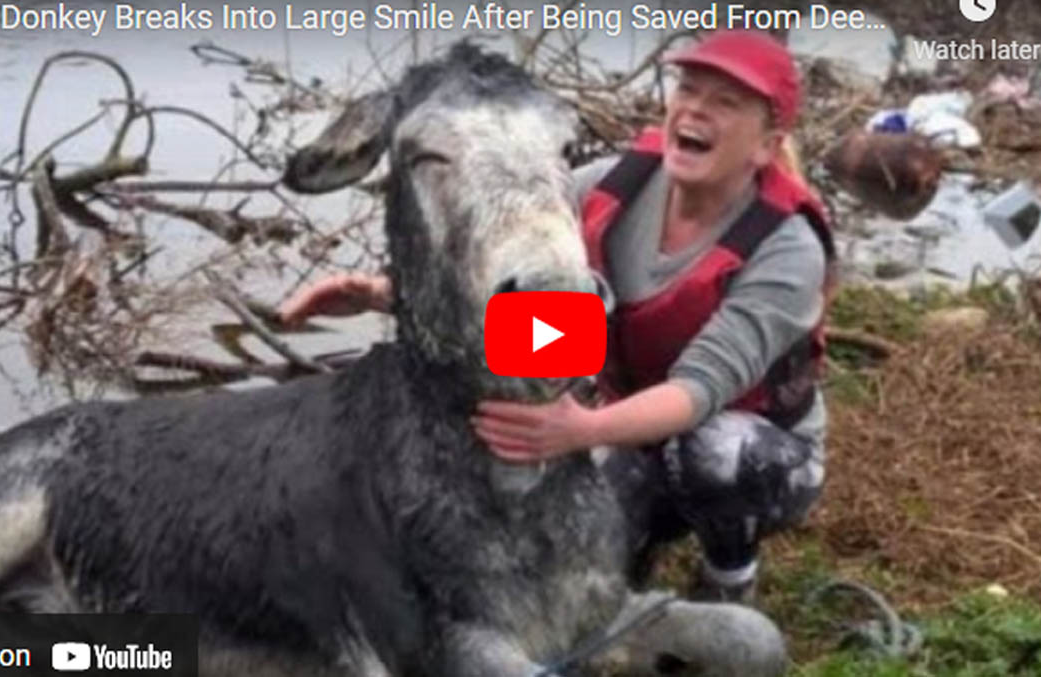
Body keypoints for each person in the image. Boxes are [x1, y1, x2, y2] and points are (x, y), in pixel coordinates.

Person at [279, 30, 835, 603]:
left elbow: (700, 390)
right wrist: (379, 293)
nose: (695, 108)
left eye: (726, 102)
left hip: (750, 443)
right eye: (689, 89)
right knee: (565, 559)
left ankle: (729, 576)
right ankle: (640, 540)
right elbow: (525, 300)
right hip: (626, 421)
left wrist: (580, 431)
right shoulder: (612, 186)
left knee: (716, 455)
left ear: (767, 145)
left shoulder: (789, 248)